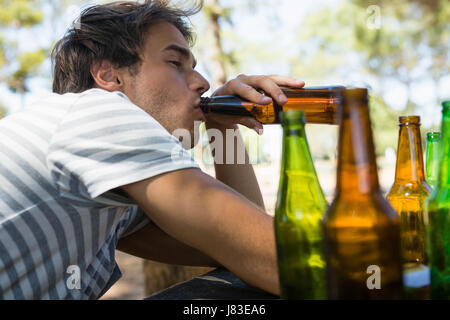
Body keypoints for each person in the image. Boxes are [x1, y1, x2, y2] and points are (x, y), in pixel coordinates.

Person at [0, 0, 305, 299]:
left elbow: (237, 251)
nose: (203, 82)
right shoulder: (98, 113)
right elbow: (285, 263)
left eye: (194, 68)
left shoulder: (111, 198)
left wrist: (221, 128)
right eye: (175, 63)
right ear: (109, 76)